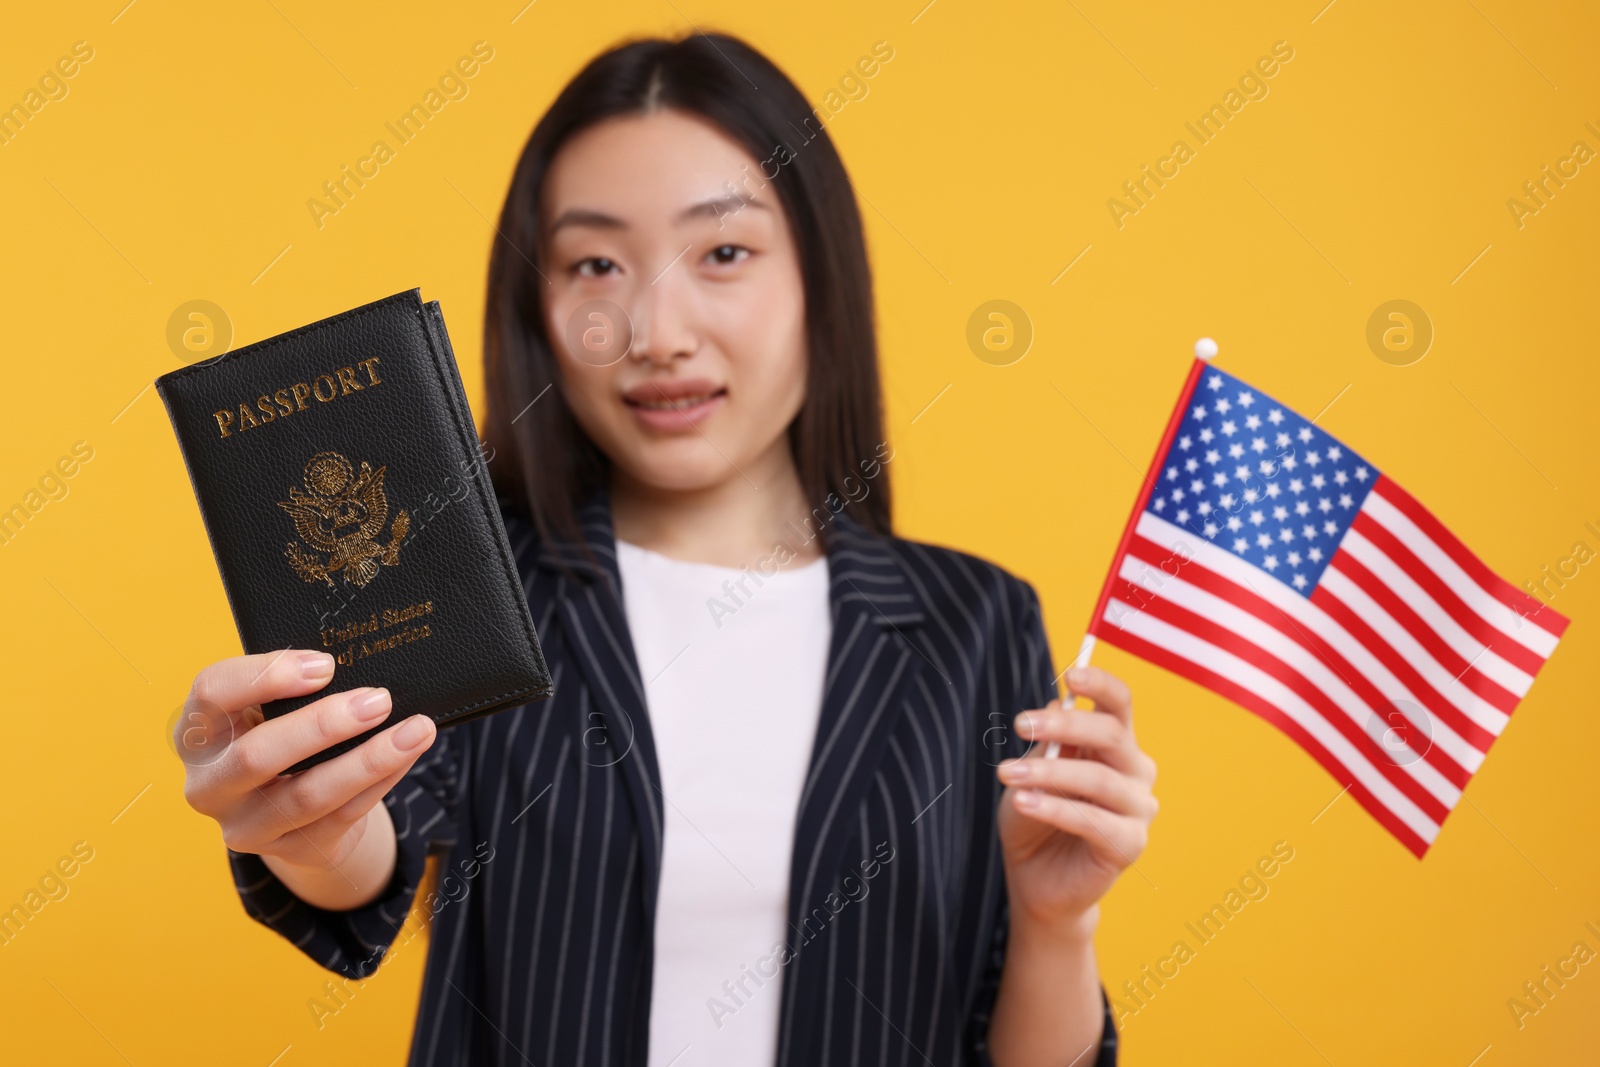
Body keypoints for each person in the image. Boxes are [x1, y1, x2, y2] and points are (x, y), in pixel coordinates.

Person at [176, 31, 1156, 1067]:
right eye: (595, 263)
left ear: (822, 275)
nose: (654, 331)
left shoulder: (974, 621)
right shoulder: (473, 581)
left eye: (723, 253)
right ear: (538, 306)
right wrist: (307, 823)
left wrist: (1058, 921)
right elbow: (370, 849)